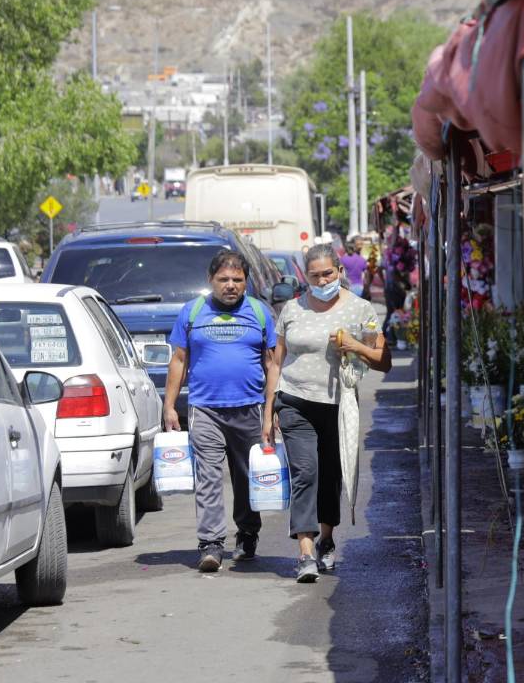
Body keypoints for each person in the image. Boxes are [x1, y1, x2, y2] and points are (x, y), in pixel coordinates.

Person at [264, 244, 391, 583]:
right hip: (294, 401)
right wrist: (268, 410)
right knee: (305, 472)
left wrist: (356, 346)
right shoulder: (291, 309)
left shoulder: (360, 309)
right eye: (314, 275)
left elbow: (384, 360)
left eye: (327, 274)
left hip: (339, 406)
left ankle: (327, 538)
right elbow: (276, 362)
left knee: (331, 475)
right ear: (305, 276)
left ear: (339, 271)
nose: (321, 280)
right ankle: (305, 554)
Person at [162, 249, 278, 572]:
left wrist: (272, 409)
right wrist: (170, 405)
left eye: (237, 279)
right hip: (206, 410)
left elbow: (272, 365)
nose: (230, 285)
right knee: (209, 477)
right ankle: (211, 543)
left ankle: (247, 532)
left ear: (246, 282)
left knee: (246, 476)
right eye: (223, 279)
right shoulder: (193, 311)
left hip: (250, 408)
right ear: (210, 280)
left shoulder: (259, 312)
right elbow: (179, 360)